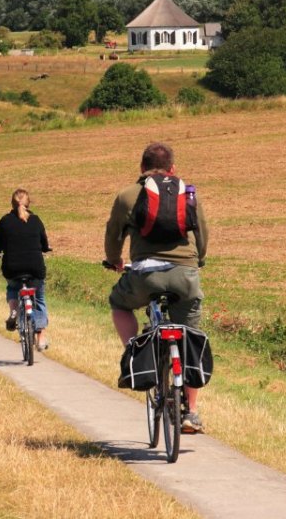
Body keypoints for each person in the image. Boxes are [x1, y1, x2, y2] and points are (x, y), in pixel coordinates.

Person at [105, 141, 209, 434]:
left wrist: (114, 260)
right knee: (189, 337)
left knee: (119, 303)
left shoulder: (128, 195)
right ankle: (192, 412)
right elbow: (202, 231)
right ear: (173, 169)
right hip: (185, 276)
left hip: (144, 277)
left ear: (141, 168)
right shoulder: (188, 193)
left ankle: (134, 354)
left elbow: (113, 232)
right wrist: (197, 259)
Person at [0, 188, 51, 351]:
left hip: (12, 267)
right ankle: (41, 338)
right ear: (28, 203)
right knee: (38, 298)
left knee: (13, 287)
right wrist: (45, 248)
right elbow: (44, 243)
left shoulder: (4, 221)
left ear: (12, 203)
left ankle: (13, 311)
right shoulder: (36, 220)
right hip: (35, 268)